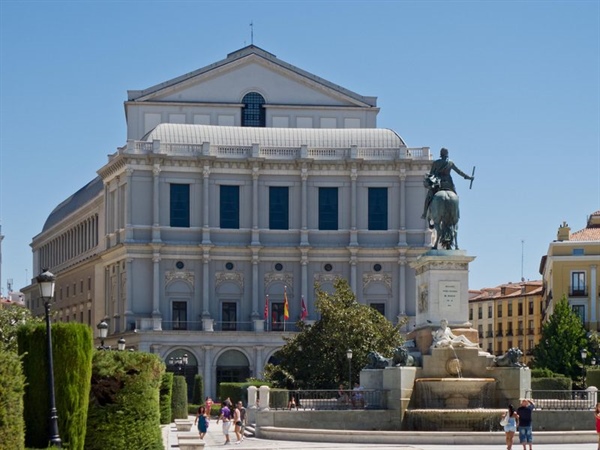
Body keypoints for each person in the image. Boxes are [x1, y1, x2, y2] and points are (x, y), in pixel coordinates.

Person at [422, 147, 473, 220]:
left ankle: (424, 213)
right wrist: (469, 177)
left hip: (439, 184)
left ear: (441, 154)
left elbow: (431, 174)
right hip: (449, 184)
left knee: (429, 197)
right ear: (447, 154)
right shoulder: (450, 162)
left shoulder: (436, 163)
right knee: (456, 197)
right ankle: (457, 213)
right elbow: (459, 172)